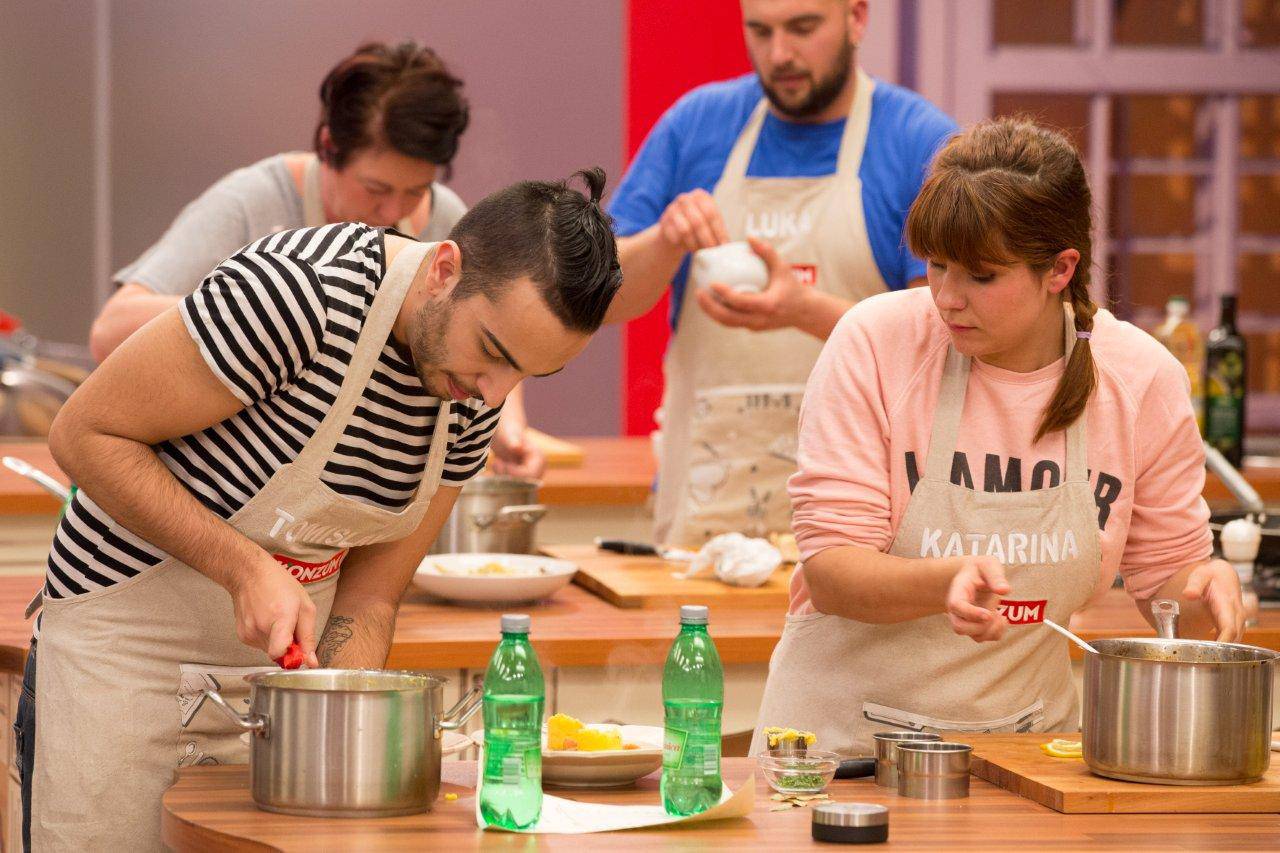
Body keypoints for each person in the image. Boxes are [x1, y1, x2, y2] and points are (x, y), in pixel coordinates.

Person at [20, 169, 621, 851]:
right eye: (493, 352)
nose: (492, 394)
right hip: (124, 667)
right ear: (444, 268)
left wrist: (336, 723)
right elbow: (84, 433)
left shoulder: (470, 396)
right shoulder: (298, 295)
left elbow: (369, 596)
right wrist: (243, 566)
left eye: (525, 376)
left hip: (276, 703)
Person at [751, 118, 1245, 756]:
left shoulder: (1141, 380)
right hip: (840, 754)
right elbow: (832, 573)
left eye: (981, 276)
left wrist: (1204, 589)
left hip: (1028, 757)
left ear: (1060, 269)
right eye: (937, 265)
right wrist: (941, 581)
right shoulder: (874, 344)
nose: (948, 298)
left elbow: (1166, 584)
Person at [88, 39, 544, 478]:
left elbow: (490, 331)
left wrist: (508, 433)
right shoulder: (252, 202)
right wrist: (272, 302)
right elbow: (111, 331)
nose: (393, 213)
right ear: (328, 146)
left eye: (415, 191)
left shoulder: (443, 220)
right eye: (376, 189)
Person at [606, 0, 957, 546]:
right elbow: (606, 301)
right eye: (760, 31)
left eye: (803, 28)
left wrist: (804, 310)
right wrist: (664, 240)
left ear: (857, 18)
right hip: (707, 504)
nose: (780, 54)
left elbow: (946, 340)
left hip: (861, 518)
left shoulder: (919, 140)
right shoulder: (696, 124)